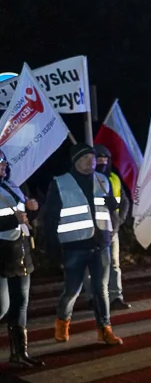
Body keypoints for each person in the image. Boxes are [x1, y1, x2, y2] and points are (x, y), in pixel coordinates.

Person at [43, 143, 124, 346]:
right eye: (87, 157)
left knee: (101, 289)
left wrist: (114, 209)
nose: (92, 160)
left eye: (93, 157)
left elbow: (109, 211)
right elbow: (50, 218)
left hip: (101, 245)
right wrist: (53, 248)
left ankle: (105, 330)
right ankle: (62, 322)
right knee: (72, 289)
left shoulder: (102, 179)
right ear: (76, 161)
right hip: (74, 246)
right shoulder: (60, 183)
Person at [0, 148, 43, 367]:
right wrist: (13, 220)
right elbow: (12, 219)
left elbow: (24, 217)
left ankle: (20, 353)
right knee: (2, 307)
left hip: (21, 252)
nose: (2, 168)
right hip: (3, 254)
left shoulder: (13, 186)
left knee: (21, 304)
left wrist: (32, 209)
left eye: (4, 164)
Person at [82, 143, 132, 310]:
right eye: (99, 158)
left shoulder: (114, 178)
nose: (103, 161)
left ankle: (115, 297)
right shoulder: (88, 179)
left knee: (114, 265)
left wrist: (120, 219)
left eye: (105, 158)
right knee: (90, 265)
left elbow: (124, 201)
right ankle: (91, 297)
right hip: (92, 230)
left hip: (112, 229)